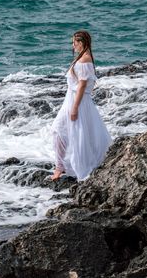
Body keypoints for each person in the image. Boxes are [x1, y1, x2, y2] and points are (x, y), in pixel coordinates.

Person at [51, 30, 113, 181]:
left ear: (82, 43)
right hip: (73, 99)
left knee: (60, 130)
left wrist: (75, 108)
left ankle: (61, 167)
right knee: (75, 133)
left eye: (75, 42)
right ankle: (61, 165)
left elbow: (82, 86)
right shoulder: (84, 57)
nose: (73, 46)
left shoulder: (85, 60)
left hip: (76, 101)